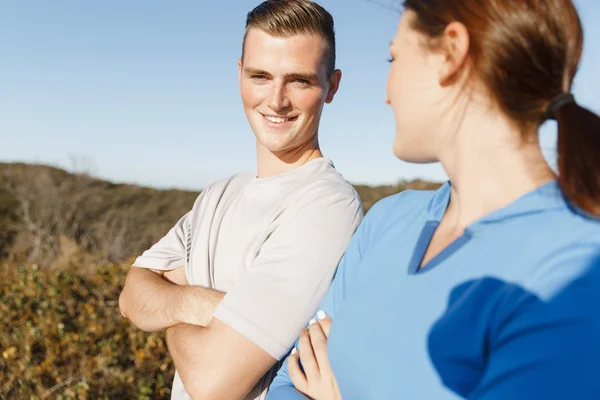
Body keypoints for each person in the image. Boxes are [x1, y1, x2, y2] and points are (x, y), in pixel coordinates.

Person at [267, 0, 600, 399]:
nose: (386, 94)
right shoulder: (388, 220)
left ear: (451, 54)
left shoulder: (574, 270)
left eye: (393, 58)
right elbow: (292, 378)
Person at [118, 1, 364, 399]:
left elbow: (211, 383)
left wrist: (171, 310)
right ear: (239, 75)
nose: (276, 100)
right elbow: (132, 296)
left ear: (332, 86)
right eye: (260, 76)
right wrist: (201, 305)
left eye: (299, 80)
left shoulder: (327, 206)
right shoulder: (218, 195)